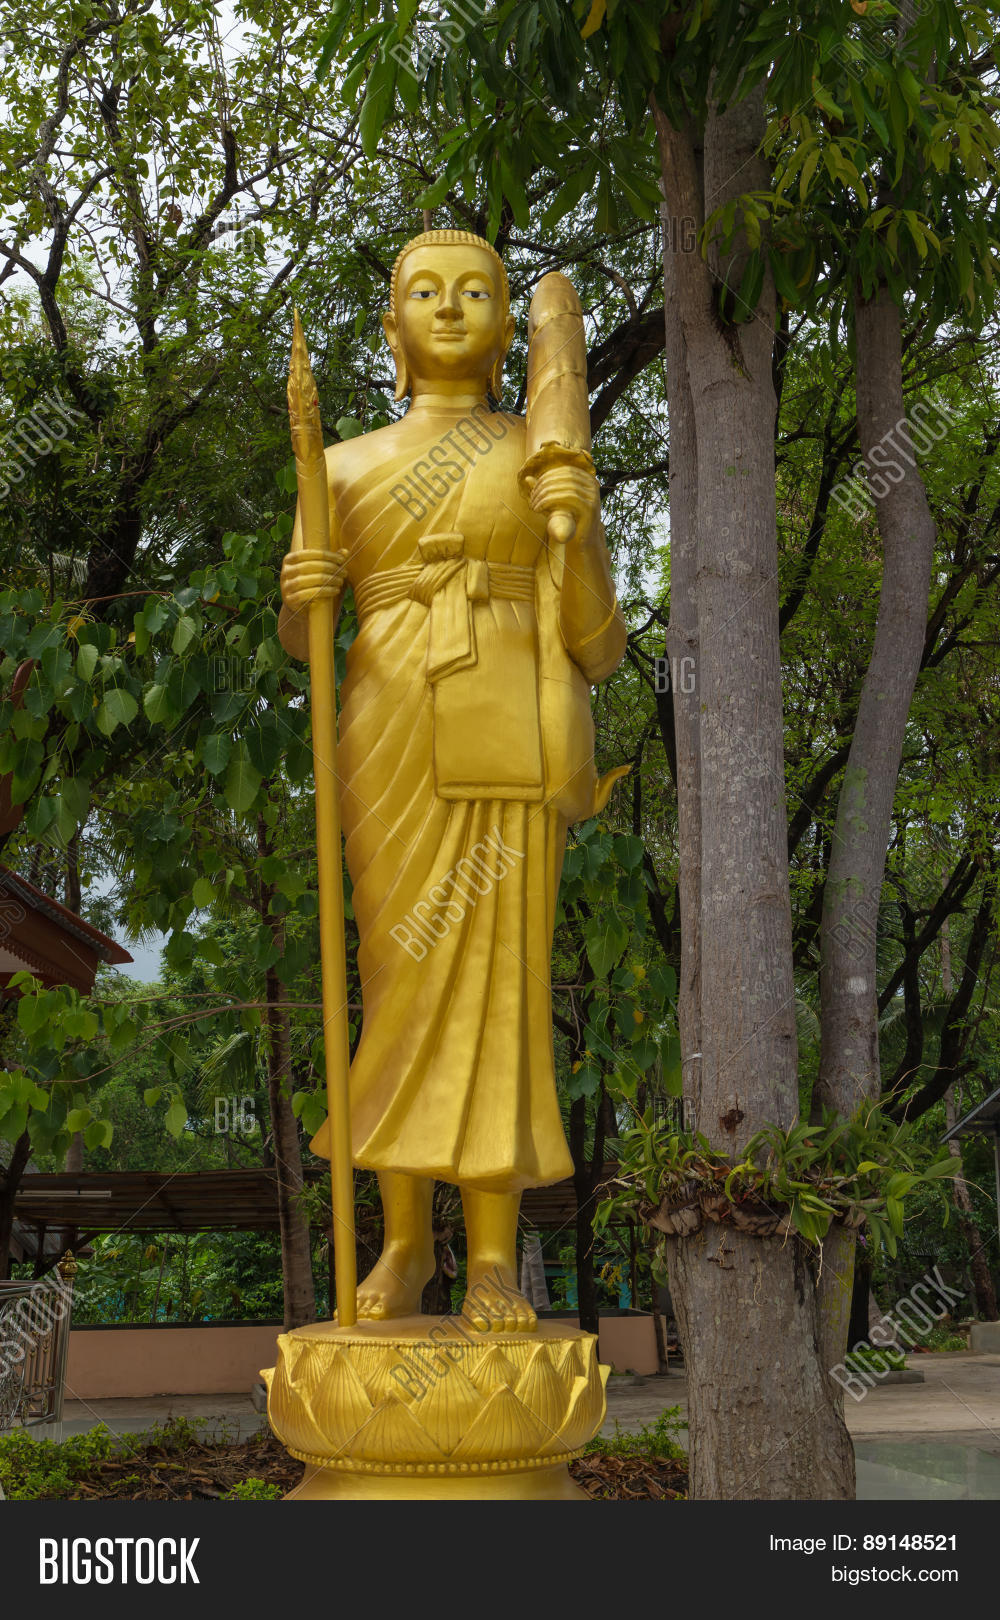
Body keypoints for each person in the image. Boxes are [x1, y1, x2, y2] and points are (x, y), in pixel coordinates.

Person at [278, 229, 625, 1331]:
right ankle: (404, 1245)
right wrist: (305, 586)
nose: (448, 308)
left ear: (506, 327)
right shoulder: (341, 466)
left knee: (497, 989)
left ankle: (489, 1258)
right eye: (424, 292)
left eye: (475, 292)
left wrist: (573, 525)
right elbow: (303, 635)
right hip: (389, 722)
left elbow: (599, 643)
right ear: (392, 329)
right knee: (400, 980)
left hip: (512, 717)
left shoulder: (540, 451)